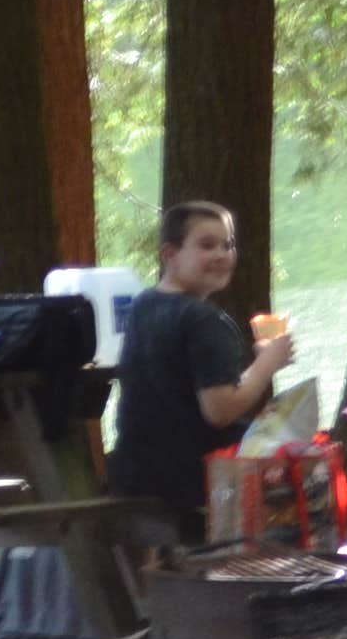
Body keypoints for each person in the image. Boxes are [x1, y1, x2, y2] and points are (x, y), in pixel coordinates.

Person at [109, 199, 293, 537]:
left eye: (228, 245)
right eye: (207, 245)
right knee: (303, 463)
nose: (222, 255)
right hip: (189, 477)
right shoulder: (203, 319)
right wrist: (266, 365)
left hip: (132, 470)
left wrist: (259, 364)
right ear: (170, 254)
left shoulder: (144, 304)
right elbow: (219, 411)